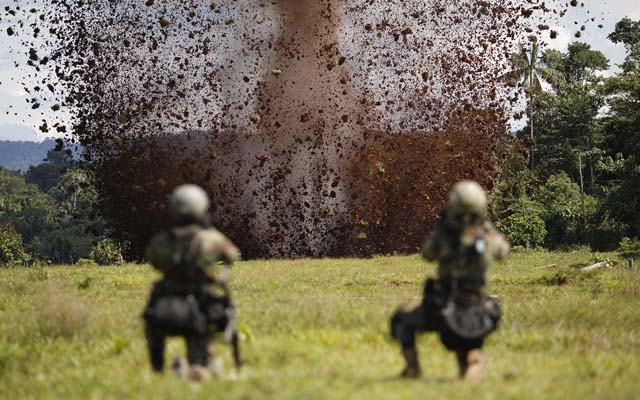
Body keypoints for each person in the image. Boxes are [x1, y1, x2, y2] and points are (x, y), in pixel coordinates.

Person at [390, 181, 510, 382]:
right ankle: (473, 357)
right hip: (478, 309)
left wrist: (443, 228)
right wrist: (485, 230)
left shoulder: (445, 236)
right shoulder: (487, 236)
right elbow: (503, 251)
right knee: (466, 341)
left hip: (444, 304)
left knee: (403, 322)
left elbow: (427, 254)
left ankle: (412, 369)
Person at [143, 184, 242, 380]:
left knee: (153, 330)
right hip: (200, 308)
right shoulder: (211, 238)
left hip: (166, 309)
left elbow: (153, 261)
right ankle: (197, 369)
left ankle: (158, 367)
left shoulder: (162, 241)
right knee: (206, 364)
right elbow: (232, 256)